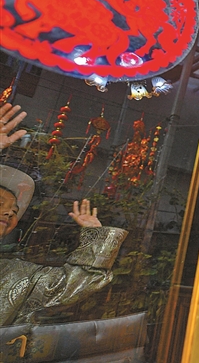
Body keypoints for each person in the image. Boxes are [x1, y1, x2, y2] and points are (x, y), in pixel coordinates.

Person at [0, 103, 128, 325]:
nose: (9, 212)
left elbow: (73, 285)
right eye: (1, 203)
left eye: (15, 210)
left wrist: (95, 238)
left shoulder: (14, 275)